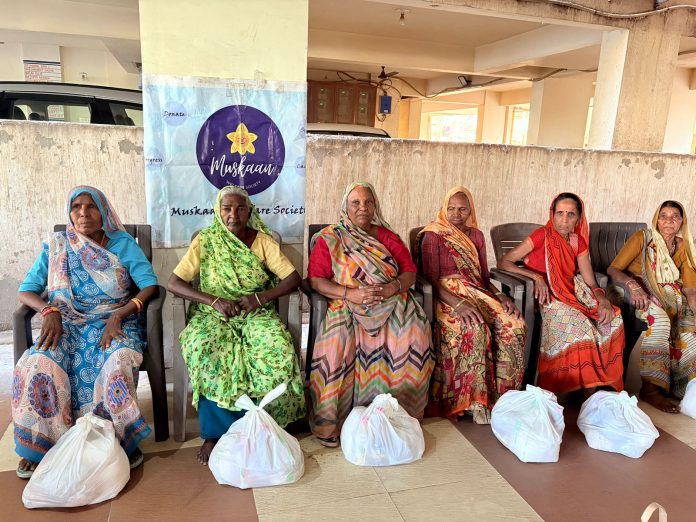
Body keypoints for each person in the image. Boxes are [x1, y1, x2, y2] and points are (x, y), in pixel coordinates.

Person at [13, 186, 157, 478]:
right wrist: (49, 311)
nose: (83, 213)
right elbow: (26, 291)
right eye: (76, 207)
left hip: (114, 320)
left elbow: (149, 285)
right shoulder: (57, 245)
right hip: (66, 323)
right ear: (69, 213)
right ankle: (42, 445)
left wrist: (120, 314)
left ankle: (118, 439)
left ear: (103, 212)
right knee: (39, 362)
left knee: (116, 359)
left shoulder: (122, 244)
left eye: (91, 206)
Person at [167, 186, 305, 464]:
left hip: (255, 311)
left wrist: (260, 298)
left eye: (240, 208)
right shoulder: (206, 241)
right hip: (213, 313)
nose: (233, 214)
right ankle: (215, 434)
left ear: (249, 211)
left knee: (276, 346)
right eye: (226, 208)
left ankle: (268, 424)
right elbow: (174, 282)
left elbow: (293, 278)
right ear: (218, 212)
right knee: (204, 347)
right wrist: (214, 301)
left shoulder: (263, 241)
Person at [307, 181, 434, 446]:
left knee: (414, 335)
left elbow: (409, 272)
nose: (362, 208)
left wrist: (391, 288)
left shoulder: (388, 237)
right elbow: (316, 280)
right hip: (347, 303)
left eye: (368, 202)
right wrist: (348, 293)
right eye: (356, 202)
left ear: (375, 206)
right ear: (345, 206)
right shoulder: (331, 238)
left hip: (392, 300)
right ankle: (335, 422)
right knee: (336, 342)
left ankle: (398, 415)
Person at [417, 187, 526, 423]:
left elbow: (484, 277)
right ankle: (474, 401)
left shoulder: (476, 236)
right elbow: (430, 279)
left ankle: (504, 398)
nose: (456, 214)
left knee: (514, 324)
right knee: (475, 328)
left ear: (470, 211)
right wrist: (458, 305)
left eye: (462, 209)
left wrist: (502, 296)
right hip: (446, 296)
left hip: (478, 291)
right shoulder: (433, 235)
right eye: (451, 208)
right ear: (444, 208)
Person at [498, 192, 624, 396]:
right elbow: (505, 261)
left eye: (570, 214)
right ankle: (571, 390)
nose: (564, 220)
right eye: (560, 213)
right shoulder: (541, 235)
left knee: (612, 319)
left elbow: (590, 281)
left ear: (579, 218)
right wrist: (535, 277)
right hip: (545, 296)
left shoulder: (577, 242)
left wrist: (603, 300)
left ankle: (592, 389)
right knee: (581, 328)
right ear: (552, 214)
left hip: (572, 293)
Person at [607, 201, 696, 413]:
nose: (669, 221)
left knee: (689, 324)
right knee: (661, 321)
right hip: (634, 290)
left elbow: (690, 289)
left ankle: (680, 387)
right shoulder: (643, 237)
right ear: (657, 219)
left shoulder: (683, 245)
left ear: (681, 222)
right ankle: (651, 389)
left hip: (669, 294)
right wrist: (632, 286)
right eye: (664, 216)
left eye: (675, 216)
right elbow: (613, 269)